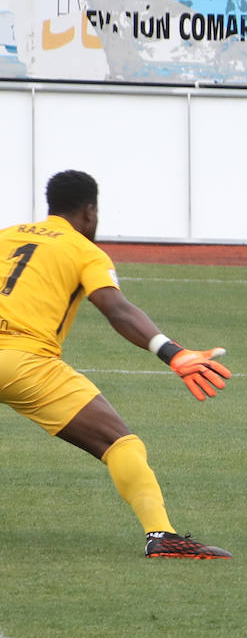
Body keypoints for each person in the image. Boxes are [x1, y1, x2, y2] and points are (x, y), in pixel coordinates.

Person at [0, 170, 234, 558]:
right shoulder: (84, 250)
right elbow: (117, 309)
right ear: (89, 211)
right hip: (26, 363)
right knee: (119, 442)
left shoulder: (6, 236)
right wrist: (173, 353)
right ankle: (161, 536)